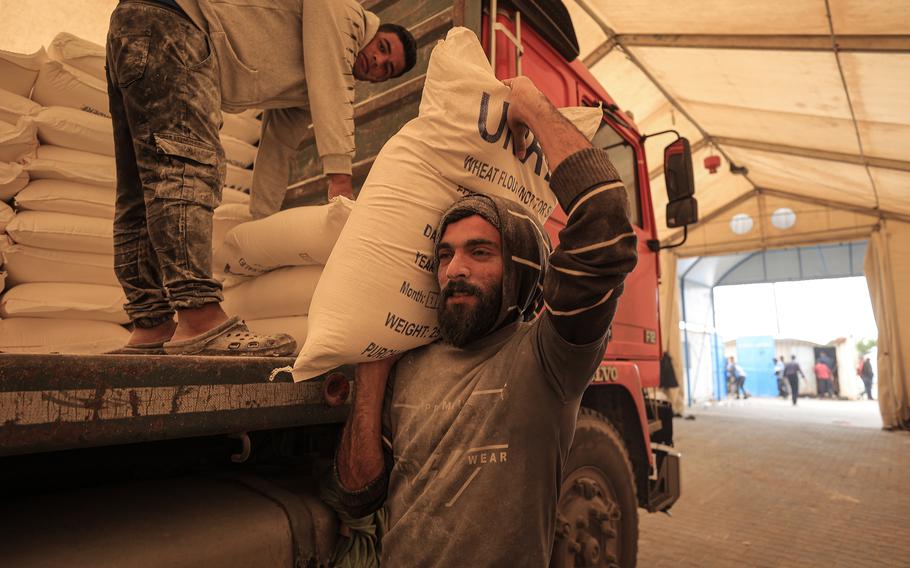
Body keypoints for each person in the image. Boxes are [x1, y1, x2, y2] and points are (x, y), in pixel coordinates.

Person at [332, 76, 638, 566]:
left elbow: (604, 224)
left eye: (480, 252)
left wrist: (533, 106)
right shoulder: (408, 364)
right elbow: (358, 495)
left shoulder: (549, 359)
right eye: (445, 255)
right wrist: (372, 371)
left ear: (517, 270)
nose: (455, 270)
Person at [105, 0, 417, 355]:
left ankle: (151, 321)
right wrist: (340, 177)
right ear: (373, 30)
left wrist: (261, 231)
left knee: (138, 189)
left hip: (136, 28)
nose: (378, 63)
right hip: (176, 27)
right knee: (188, 169)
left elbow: (277, 150)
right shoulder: (344, 12)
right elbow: (333, 81)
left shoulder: (305, 82)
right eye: (382, 48)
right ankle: (199, 316)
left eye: (387, 70)